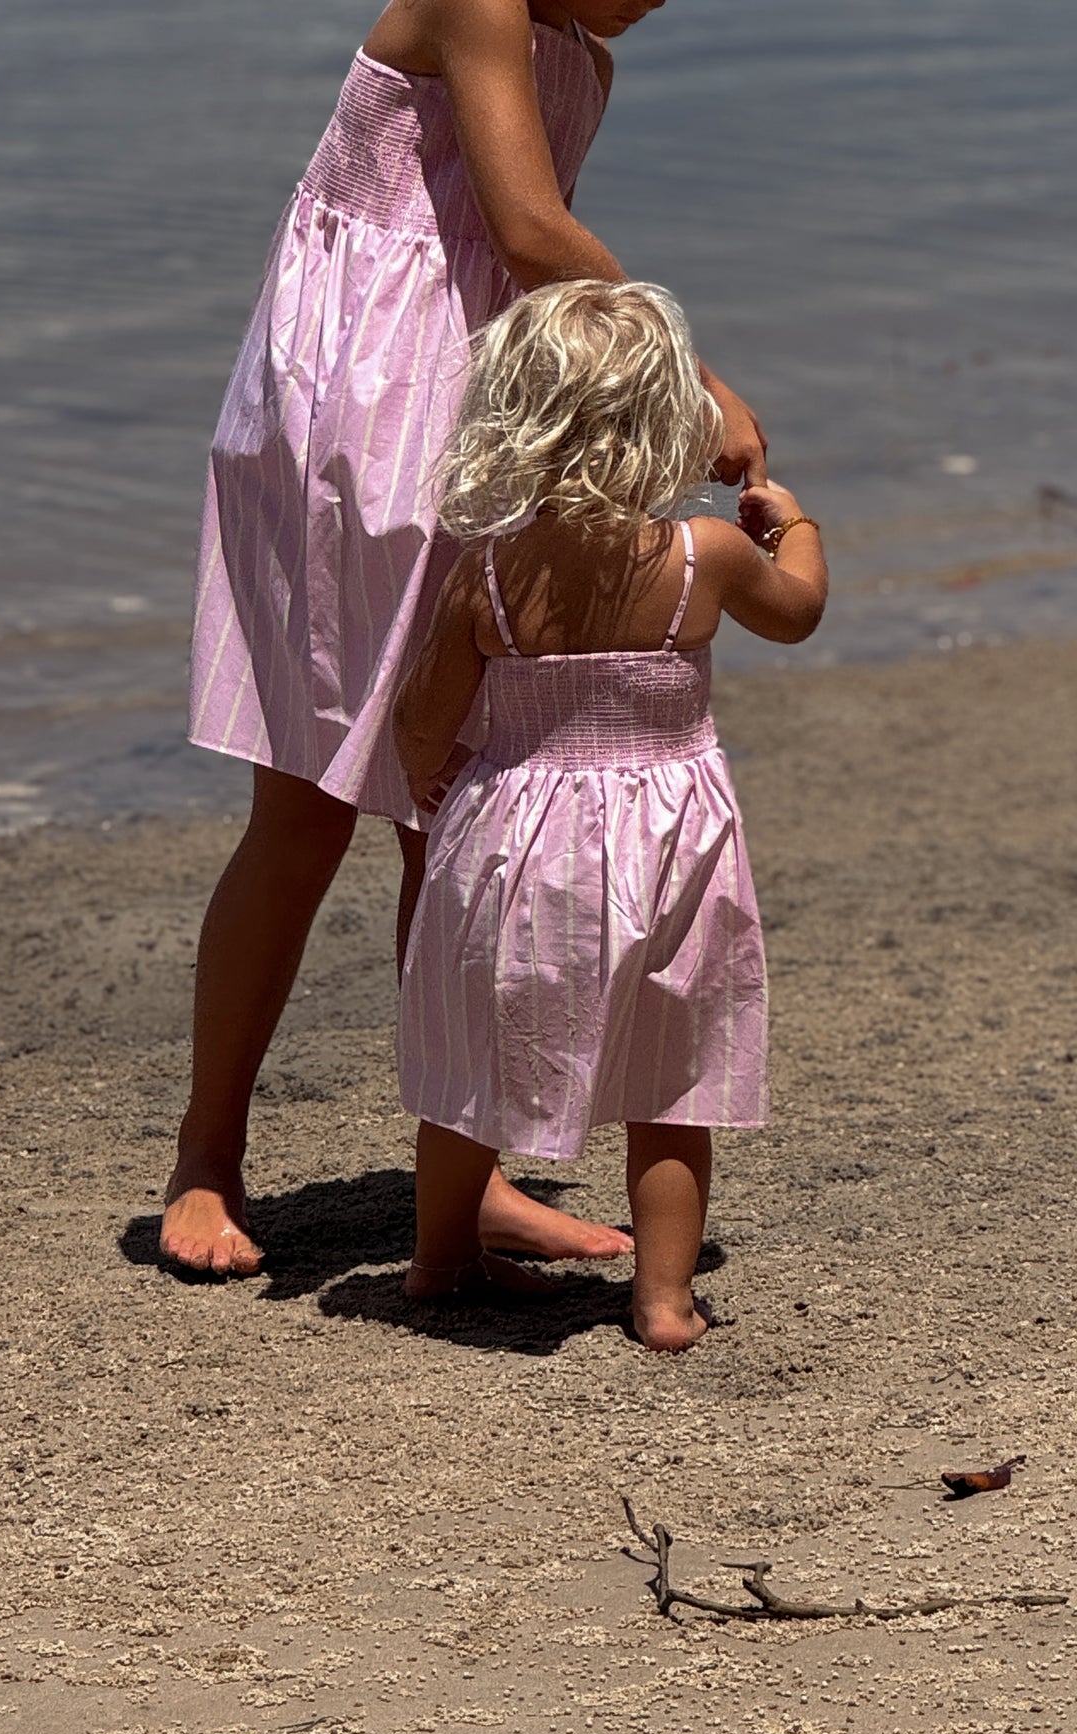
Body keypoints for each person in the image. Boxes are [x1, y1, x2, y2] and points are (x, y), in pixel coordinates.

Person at [161, 0, 768, 1279]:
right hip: (357, 401)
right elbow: (529, 230)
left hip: (478, 397)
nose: (655, 5)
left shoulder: (578, 49)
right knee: (305, 799)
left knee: (457, 806)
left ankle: (467, 1170)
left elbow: (521, 265)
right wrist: (688, 379)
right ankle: (205, 1159)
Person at [393, 279, 826, 1349]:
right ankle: (665, 1299)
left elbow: (419, 723)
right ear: (664, 416)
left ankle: (440, 1261)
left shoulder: (486, 572)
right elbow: (800, 612)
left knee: (473, 1066)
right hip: (671, 840)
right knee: (674, 1071)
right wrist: (792, 521)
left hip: (514, 840)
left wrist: (442, 783)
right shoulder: (702, 558)